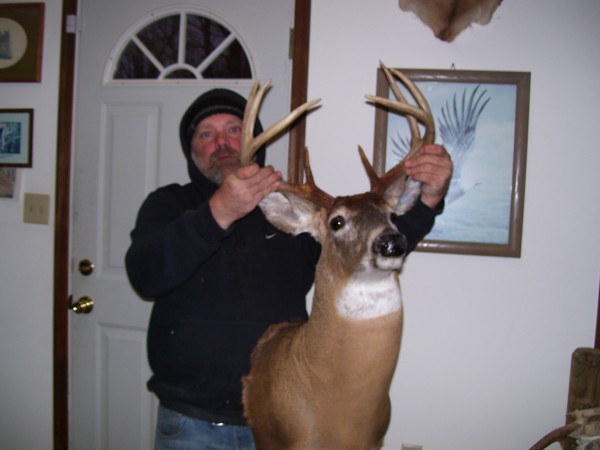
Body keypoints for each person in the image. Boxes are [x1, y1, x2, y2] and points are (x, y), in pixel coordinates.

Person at [125, 88, 452, 450]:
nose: (222, 142)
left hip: (288, 421)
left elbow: (366, 245)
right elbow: (146, 275)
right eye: (206, 134)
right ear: (192, 149)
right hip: (192, 420)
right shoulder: (168, 204)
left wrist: (428, 201)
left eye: (234, 130)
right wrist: (219, 211)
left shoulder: (291, 215)